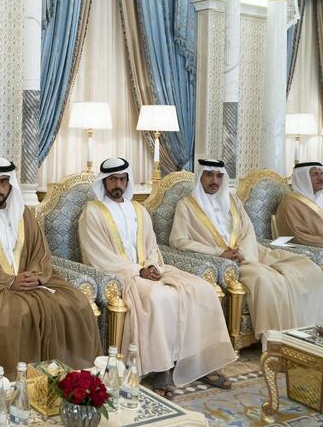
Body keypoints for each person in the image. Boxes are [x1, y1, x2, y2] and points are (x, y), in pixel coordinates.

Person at [78, 157, 235, 399]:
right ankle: (161, 368)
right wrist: (136, 271)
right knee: (159, 297)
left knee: (202, 289)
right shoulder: (92, 212)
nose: (117, 184)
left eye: (122, 179)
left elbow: (151, 247)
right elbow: (97, 255)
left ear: (127, 180)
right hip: (121, 275)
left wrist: (151, 266)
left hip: (152, 270)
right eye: (112, 179)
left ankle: (201, 362)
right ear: (104, 181)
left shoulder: (139, 210)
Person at [0, 157, 102, 381]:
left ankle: (67, 379)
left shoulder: (24, 214)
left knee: (75, 302)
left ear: (11, 185)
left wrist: (36, 278)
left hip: (29, 282)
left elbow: (40, 253)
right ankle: (10, 384)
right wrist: (9, 281)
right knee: (5, 316)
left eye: (3, 182)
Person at [171, 159, 323, 338]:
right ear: (200, 176)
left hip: (251, 254)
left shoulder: (233, 200)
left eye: (219, 176)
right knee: (266, 280)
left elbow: (248, 231)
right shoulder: (186, 205)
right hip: (225, 262)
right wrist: (219, 253)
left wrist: (243, 252)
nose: (215, 180)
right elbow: (178, 240)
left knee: (307, 267)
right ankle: (277, 339)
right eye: (209, 175)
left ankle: (309, 332)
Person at [275, 161, 323, 247]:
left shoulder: (320, 197)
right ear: (303, 178)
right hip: (308, 250)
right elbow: (297, 237)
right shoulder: (290, 202)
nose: (320, 178)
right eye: (314, 175)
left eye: (321, 174)